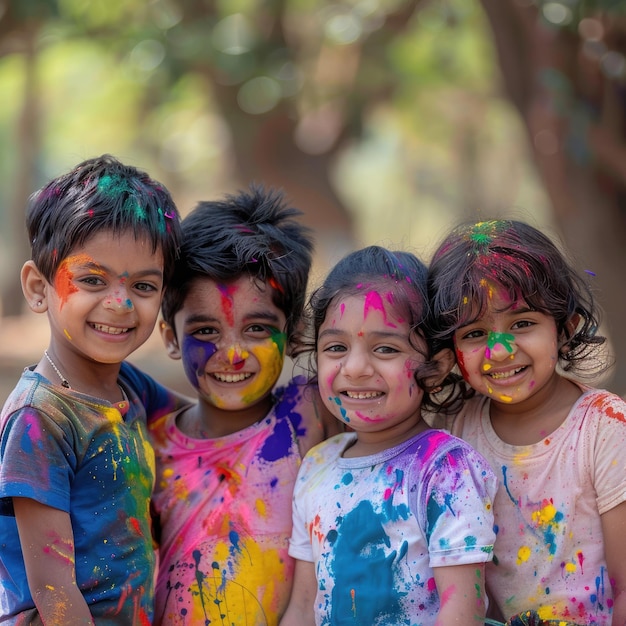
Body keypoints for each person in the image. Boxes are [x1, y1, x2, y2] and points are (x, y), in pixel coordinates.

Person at [0, 154, 185, 624]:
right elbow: (53, 591)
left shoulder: (129, 386)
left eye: (143, 286)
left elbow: (199, 426)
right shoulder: (40, 419)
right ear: (38, 288)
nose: (120, 303)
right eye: (91, 280)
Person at [150, 185, 341, 626]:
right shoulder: (152, 444)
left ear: (293, 334)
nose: (232, 353)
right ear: (170, 338)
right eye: (206, 331)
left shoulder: (311, 414)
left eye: (256, 329)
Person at [280, 245, 498, 626]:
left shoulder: (445, 468)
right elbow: (301, 607)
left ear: (435, 369)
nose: (356, 367)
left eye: (385, 348)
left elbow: (464, 610)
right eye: (336, 347)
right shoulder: (316, 464)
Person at [426, 219, 626, 626]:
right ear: (450, 352)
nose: (499, 351)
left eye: (522, 324)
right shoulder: (453, 431)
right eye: (475, 333)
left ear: (564, 329)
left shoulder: (605, 428)